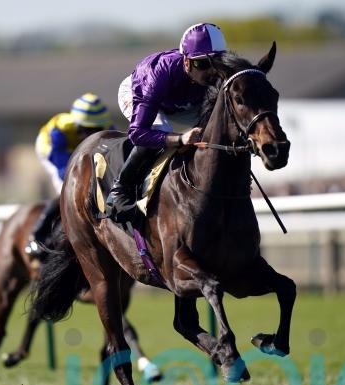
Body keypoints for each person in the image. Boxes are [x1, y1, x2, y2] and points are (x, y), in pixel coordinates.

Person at [106, 22, 227, 222]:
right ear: (186, 61)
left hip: (181, 104)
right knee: (160, 129)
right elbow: (137, 133)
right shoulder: (158, 74)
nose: (212, 72)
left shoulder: (217, 74)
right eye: (202, 64)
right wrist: (179, 139)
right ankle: (120, 190)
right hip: (142, 95)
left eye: (217, 62)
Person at [25, 92, 114, 257]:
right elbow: (62, 170)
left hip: (78, 149)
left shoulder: (110, 129)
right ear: (77, 125)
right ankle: (36, 237)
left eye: (96, 130)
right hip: (52, 150)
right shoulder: (60, 131)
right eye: (86, 130)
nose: (90, 135)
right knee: (66, 191)